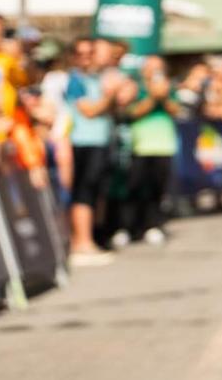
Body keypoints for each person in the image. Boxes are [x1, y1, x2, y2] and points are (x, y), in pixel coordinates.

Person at [64, 38, 117, 265]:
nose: (87, 57)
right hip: (82, 142)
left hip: (100, 141)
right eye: (81, 53)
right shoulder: (75, 80)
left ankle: (91, 238)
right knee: (83, 193)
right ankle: (81, 242)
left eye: (90, 53)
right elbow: (89, 110)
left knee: (95, 192)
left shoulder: (97, 78)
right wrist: (111, 95)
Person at [121, 55, 179, 245]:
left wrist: (164, 97)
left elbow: (176, 110)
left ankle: (153, 225)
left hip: (163, 145)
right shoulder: (135, 88)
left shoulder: (168, 88)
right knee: (135, 188)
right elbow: (133, 112)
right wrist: (153, 97)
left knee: (157, 189)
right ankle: (129, 227)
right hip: (140, 145)